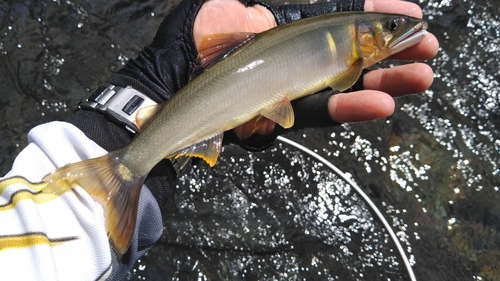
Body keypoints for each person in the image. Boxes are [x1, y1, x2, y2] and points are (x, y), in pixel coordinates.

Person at [0, 0, 438, 279]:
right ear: (364, 35)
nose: (395, 33)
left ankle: (121, 167)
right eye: (389, 28)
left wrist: (127, 113)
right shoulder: (349, 55)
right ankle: (125, 169)